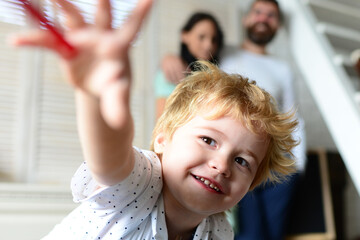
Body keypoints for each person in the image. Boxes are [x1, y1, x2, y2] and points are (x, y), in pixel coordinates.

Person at [10, 0, 299, 239]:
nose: (221, 166)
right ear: (162, 139)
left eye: (242, 161)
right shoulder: (141, 182)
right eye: (208, 140)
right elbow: (109, 158)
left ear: (250, 186)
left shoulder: (220, 232)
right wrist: (94, 95)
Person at [219, 0, 307, 239]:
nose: (263, 18)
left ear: (277, 26)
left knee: (274, 234)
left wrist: (297, 165)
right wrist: (168, 59)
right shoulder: (223, 53)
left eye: (271, 15)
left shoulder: (283, 69)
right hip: (235, 158)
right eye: (258, 12)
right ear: (246, 18)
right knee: (249, 234)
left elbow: (292, 116)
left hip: (277, 164)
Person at [155, 12, 223, 118]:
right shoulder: (173, 68)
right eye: (201, 37)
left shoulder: (219, 71)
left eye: (214, 39)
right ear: (184, 35)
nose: (209, 45)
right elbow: (162, 120)